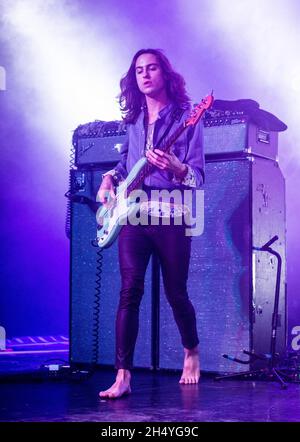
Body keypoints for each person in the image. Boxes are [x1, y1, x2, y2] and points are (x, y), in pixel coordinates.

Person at [97, 48, 204, 399]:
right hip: (132, 215)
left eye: (152, 68)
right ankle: (123, 375)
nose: (144, 74)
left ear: (165, 73)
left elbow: (198, 177)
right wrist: (109, 179)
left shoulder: (188, 117)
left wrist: (176, 167)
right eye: (139, 70)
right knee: (130, 292)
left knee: (176, 293)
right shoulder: (134, 121)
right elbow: (126, 166)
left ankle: (191, 351)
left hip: (172, 216)